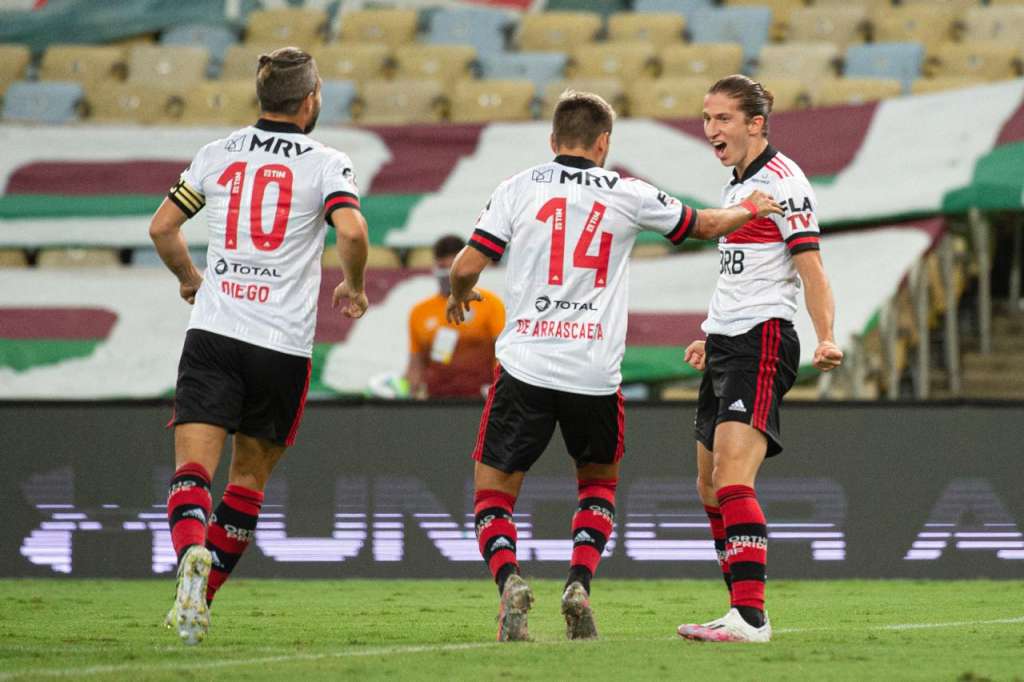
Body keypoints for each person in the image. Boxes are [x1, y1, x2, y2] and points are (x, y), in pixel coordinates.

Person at [445, 89, 783, 642]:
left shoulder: (517, 187)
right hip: (593, 373)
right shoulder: (627, 192)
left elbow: (466, 265)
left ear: (553, 141)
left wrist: (460, 295)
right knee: (596, 485)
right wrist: (751, 206)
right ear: (604, 143)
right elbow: (704, 225)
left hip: (526, 364)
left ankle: (510, 582)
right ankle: (578, 582)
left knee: (492, 495)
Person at [148, 47, 369, 645]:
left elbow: (162, 227)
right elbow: (350, 228)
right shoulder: (326, 162)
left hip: (215, 331)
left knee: (194, 468)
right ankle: (201, 598)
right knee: (247, 479)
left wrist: (190, 281)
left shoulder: (217, 154)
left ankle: (188, 555)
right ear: (310, 100)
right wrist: (353, 283)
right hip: (280, 344)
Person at [675, 75, 843, 644]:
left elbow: (810, 268)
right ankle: (738, 611)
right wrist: (709, 332)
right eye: (706, 118)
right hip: (726, 340)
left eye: (722, 118)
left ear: (755, 124)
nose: (711, 130)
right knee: (706, 487)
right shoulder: (736, 189)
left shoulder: (786, 183)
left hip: (763, 337)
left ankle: (751, 617)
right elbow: (738, 273)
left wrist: (825, 335)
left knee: (730, 476)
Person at [405, 235, 504, 399]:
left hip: (480, 397)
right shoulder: (420, 312)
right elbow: (417, 362)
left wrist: (500, 392)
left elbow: (502, 353)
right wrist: (409, 394)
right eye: (443, 268)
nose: (448, 277)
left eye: (452, 269)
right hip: (436, 398)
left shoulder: (488, 303)